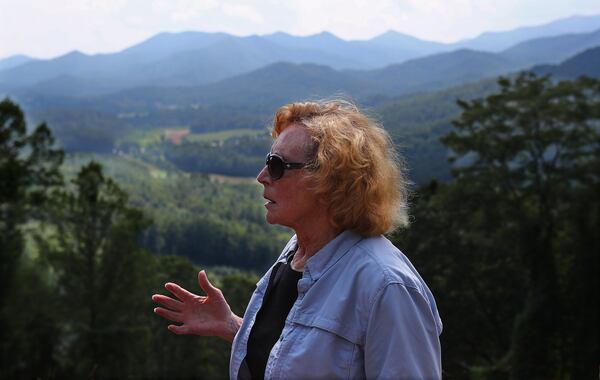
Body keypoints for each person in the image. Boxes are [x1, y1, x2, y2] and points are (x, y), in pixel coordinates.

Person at [152, 100, 443, 379]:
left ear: (330, 180)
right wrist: (234, 326)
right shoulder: (297, 255)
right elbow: (302, 353)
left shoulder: (387, 286)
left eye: (277, 166)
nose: (262, 176)